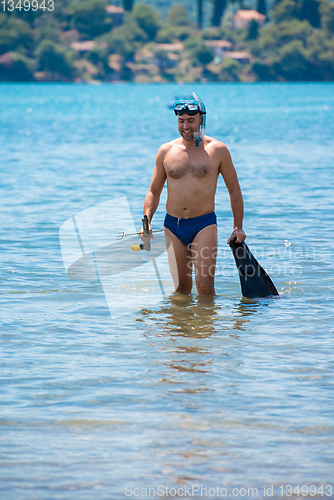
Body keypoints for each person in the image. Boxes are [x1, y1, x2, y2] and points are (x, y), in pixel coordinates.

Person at [142, 93, 246, 296]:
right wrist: (146, 222)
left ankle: (205, 328)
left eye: (191, 120)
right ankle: (183, 328)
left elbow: (234, 190)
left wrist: (238, 227)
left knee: (205, 287)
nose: (185, 126)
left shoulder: (218, 150)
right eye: (181, 121)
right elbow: (154, 190)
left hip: (203, 224)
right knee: (181, 289)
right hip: (173, 225)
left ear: (201, 119)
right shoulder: (166, 151)